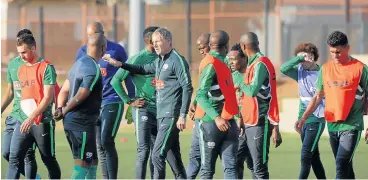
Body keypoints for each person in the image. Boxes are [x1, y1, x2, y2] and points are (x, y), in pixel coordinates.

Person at [104, 27, 192, 179]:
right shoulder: (158, 60)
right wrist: (120, 65)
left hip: (170, 114)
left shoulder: (176, 60)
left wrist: (182, 114)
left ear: (168, 41)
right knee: (160, 153)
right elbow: (140, 69)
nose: (156, 44)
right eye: (154, 42)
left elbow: (187, 87)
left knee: (158, 154)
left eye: (158, 41)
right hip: (153, 113)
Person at [297, 31, 368, 179]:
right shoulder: (325, 69)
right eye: (331, 52)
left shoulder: (360, 69)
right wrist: (303, 117)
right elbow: (317, 96)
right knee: (346, 166)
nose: (335, 55)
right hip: (332, 125)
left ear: (347, 48)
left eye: (338, 52)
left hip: (352, 125)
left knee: (341, 164)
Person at [75, 21, 134, 179]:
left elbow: (127, 74)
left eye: (95, 34)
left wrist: (132, 99)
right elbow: (77, 78)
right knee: (98, 145)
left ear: (103, 33)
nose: (91, 38)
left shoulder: (117, 50)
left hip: (112, 99)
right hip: (93, 104)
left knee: (105, 139)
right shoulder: (82, 51)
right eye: (89, 35)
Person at [5, 33, 61, 179]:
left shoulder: (47, 68)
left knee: (48, 159)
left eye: (24, 52)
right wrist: (25, 118)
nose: (21, 56)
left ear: (33, 48)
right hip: (23, 121)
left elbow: (48, 97)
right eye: (19, 53)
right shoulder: (20, 69)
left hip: (42, 122)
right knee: (14, 158)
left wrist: (32, 118)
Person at [54, 33, 106, 179]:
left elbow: (64, 90)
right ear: (103, 48)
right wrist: (64, 110)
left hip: (78, 122)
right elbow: (82, 94)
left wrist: (59, 108)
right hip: (80, 123)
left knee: (92, 160)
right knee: (82, 162)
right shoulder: (93, 68)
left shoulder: (77, 64)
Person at [234, 32, 282, 179]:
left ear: (243, 46)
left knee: (259, 169)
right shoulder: (253, 63)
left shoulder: (261, 64)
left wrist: (239, 80)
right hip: (248, 121)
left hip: (259, 121)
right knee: (235, 161)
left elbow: (253, 91)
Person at [194, 30, 239, 179]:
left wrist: (216, 118)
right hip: (228, 121)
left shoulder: (209, 63)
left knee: (207, 170)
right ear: (226, 45)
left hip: (212, 122)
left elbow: (200, 94)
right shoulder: (225, 62)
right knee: (231, 168)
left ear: (210, 45)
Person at [280, 42, 326, 179]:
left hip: (316, 119)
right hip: (302, 120)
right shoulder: (299, 71)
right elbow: (283, 68)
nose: (304, 61)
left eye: (307, 57)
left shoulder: (322, 72)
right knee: (314, 158)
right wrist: (299, 58)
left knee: (306, 155)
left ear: (313, 56)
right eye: (301, 58)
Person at [1, 29, 41, 179]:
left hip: (28, 118)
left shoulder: (37, 65)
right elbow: (11, 91)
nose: (21, 54)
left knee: (27, 155)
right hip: (14, 116)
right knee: (6, 152)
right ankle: (35, 177)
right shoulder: (13, 65)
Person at [229, 43, 257, 179]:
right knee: (236, 160)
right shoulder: (231, 76)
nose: (231, 62)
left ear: (244, 58)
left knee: (254, 163)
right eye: (230, 59)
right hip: (237, 126)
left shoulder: (254, 74)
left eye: (234, 59)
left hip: (252, 123)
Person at [186, 32, 210, 179]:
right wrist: (194, 103)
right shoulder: (204, 62)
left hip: (209, 119)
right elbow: (202, 89)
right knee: (194, 156)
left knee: (207, 163)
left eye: (203, 47)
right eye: (199, 49)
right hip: (199, 117)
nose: (201, 51)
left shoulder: (216, 62)